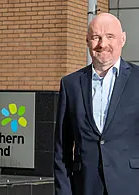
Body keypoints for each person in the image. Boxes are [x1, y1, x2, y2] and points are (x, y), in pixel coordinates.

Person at [54, 13, 139, 195]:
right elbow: (62, 148)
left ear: (122, 39)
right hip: (85, 186)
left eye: (110, 36)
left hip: (131, 186)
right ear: (87, 41)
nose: (102, 44)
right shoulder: (71, 84)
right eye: (96, 37)